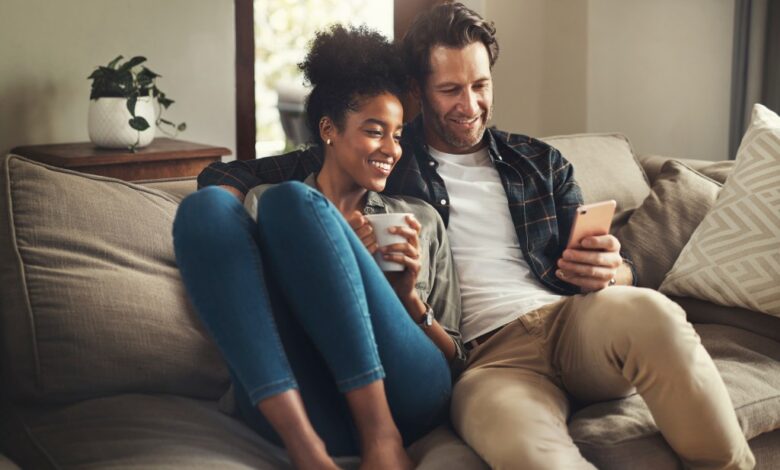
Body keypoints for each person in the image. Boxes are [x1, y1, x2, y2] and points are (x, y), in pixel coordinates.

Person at [198, 4, 754, 470]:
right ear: (417, 91)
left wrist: (617, 269)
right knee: (529, 454)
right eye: (450, 90)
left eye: (480, 85)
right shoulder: (387, 152)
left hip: (572, 322)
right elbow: (230, 176)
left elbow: (610, 258)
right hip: (484, 363)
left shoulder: (539, 161)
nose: (470, 105)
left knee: (651, 312)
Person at [174, 25, 464, 470]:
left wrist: (404, 297)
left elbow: (455, 360)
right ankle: (307, 451)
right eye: (375, 131)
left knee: (293, 201)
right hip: (309, 401)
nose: (392, 149)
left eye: (398, 134)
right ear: (328, 129)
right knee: (206, 209)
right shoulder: (265, 205)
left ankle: (381, 436)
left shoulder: (419, 219)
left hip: (406, 392)